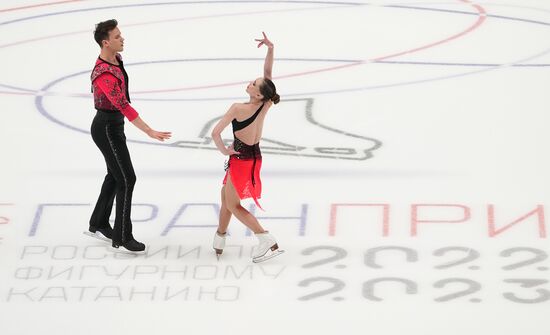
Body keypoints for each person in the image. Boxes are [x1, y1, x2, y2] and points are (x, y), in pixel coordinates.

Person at [84, 19, 171, 253]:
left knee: (115, 175)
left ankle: (98, 222)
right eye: (117, 37)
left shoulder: (116, 59)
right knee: (126, 179)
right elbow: (124, 106)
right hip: (106, 128)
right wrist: (150, 131)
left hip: (114, 126)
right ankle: (123, 236)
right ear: (105, 42)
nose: (122, 39)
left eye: (121, 35)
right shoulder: (104, 74)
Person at [211, 32, 284, 263]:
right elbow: (268, 77)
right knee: (225, 197)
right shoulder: (265, 104)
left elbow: (215, 133)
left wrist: (224, 150)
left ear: (257, 94)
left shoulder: (237, 108)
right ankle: (220, 238)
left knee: (232, 203)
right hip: (254, 158)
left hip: (240, 158)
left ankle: (264, 237)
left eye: (254, 84)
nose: (250, 83)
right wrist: (270, 49)